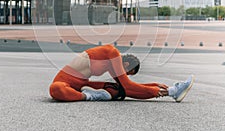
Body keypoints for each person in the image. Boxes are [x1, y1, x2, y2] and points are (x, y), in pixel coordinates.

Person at [49, 44, 194, 102]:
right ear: (125, 64)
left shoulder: (112, 64)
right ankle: (90, 96)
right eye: (128, 72)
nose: (127, 75)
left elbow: (127, 87)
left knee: (118, 90)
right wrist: (157, 89)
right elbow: (128, 85)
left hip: (81, 85)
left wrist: (155, 85)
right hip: (67, 84)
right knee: (56, 89)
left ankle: (173, 91)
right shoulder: (112, 53)